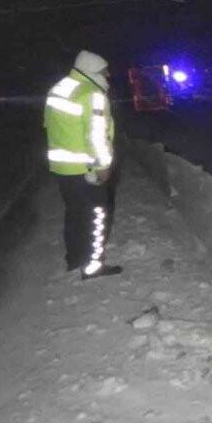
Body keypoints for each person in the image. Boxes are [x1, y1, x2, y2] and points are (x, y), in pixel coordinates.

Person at [44, 50, 122, 280]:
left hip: (62, 167)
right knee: (96, 216)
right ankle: (92, 267)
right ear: (93, 71)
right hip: (86, 169)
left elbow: (51, 125)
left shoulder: (59, 89)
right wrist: (102, 166)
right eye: (104, 71)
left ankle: (75, 258)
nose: (108, 75)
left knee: (75, 214)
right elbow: (96, 136)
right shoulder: (92, 94)